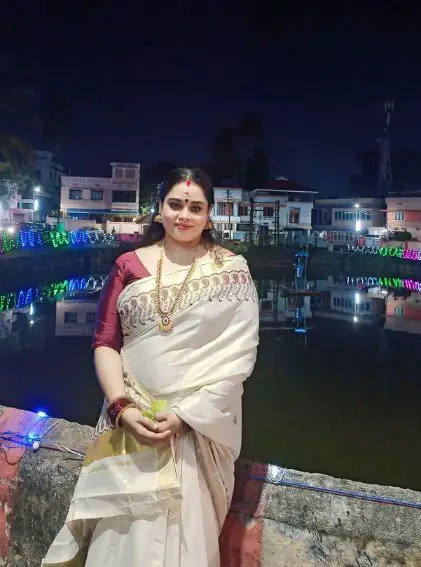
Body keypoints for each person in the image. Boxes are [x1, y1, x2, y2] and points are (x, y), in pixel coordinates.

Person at [42, 167, 260, 567]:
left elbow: (238, 358)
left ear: (209, 215)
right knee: (121, 537)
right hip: (132, 423)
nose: (184, 215)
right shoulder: (130, 265)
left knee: (187, 542)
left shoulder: (231, 271)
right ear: (159, 210)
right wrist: (121, 407)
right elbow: (106, 343)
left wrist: (184, 414)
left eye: (195, 207)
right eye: (175, 204)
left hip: (195, 430)